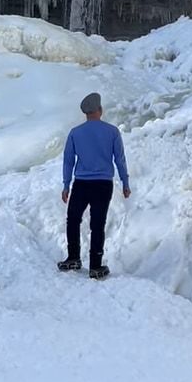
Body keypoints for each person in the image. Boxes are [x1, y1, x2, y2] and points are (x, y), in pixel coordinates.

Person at [58, 92, 130, 280]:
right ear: (100, 110)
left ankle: (73, 257)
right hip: (103, 184)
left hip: (81, 184)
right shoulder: (112, 131)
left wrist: (66, 185)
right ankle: (95, 266)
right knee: (98, 224)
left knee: (73, 220)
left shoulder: (75, 132)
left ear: (86, 113)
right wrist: (125, 182)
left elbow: (68, 162)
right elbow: (120, 160)